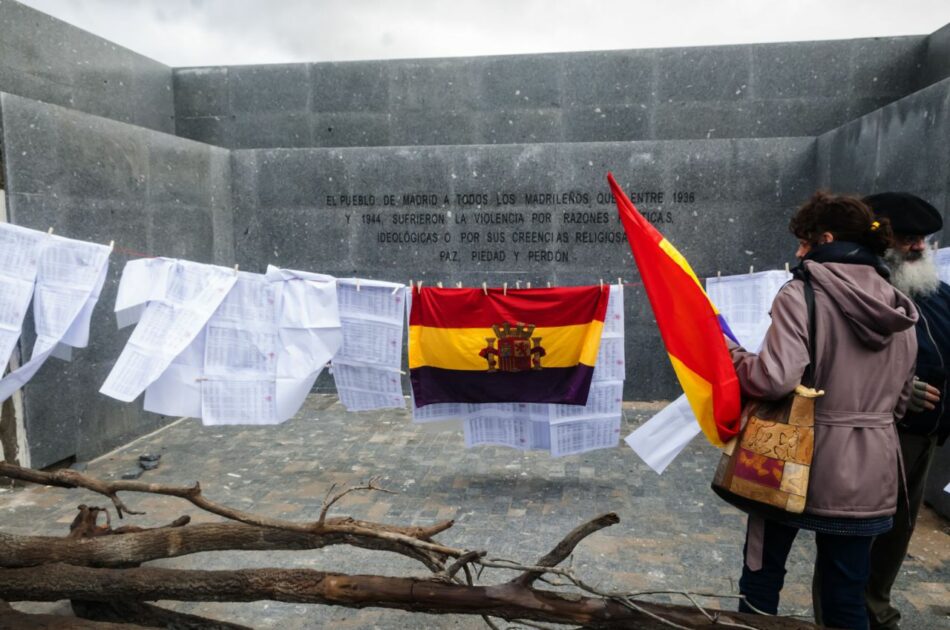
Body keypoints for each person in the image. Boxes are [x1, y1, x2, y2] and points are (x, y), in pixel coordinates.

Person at [728, 191, 918, 630]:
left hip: (792, 460)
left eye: (803, 241)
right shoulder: (899, 306)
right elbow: (902, 402)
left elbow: (773, 378)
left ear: (825, 239)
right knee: (846, 595)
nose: (797, 252)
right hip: (872, 470)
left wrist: (733, 356)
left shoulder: (801, 293)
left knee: (761, 582)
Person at [861, 192, 948, 630]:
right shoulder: (861, 292)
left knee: (898, 533)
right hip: (881, 432)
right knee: (861, 535)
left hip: (928, 434)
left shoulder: (936, 291)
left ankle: (876, 607)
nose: (918, 247)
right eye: (908, 238)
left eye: (923, 239)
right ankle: (849, 616)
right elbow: (840, 364)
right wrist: (897, 388)